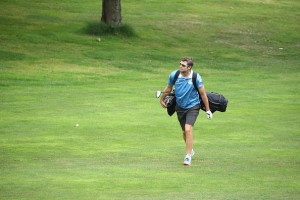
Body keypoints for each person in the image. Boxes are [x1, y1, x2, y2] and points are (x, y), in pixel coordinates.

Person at [160, 57, 212, 166]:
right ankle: (191, 149)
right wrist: (162, 99)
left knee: (188, 129)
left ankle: (188, 156)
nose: (180, 66)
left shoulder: (196, 77)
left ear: (189, 67)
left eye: (183, 65)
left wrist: (208, 110)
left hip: (193, 106)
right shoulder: (174, 75)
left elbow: (203, 94)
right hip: (180, 107)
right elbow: (169, 88)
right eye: (180, 64)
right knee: (184, 132)